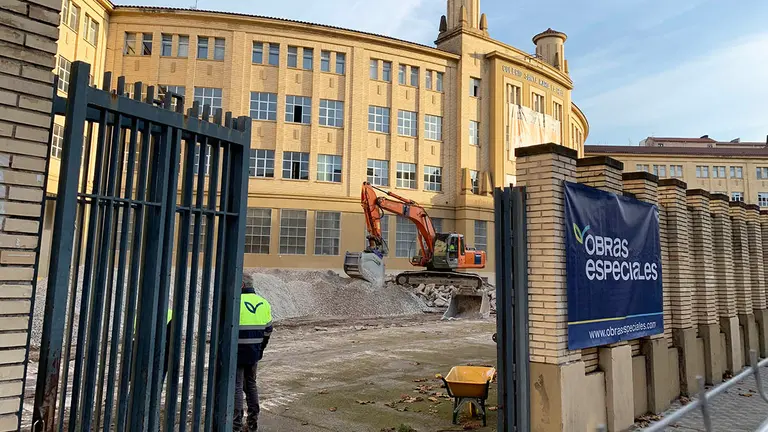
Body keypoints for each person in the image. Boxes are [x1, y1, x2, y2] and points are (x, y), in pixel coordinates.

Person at [234, 274, 273, 432]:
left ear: (242, 285)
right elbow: (268, 331)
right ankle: (252, 422)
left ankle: (235, 425)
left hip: (235, 352)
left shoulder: (236, 302)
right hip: (253, 353)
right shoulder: (264, 303)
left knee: (236, 387)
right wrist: (259, 349)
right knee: (250, 385)